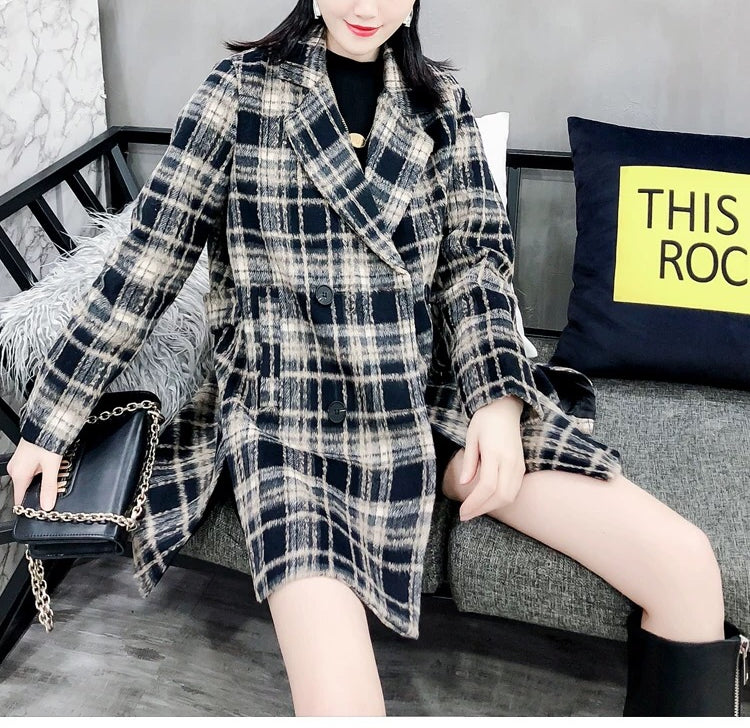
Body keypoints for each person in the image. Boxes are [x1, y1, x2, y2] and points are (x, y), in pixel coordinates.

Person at [8, 0, 746, 718]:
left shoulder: (439, 102)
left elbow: (474, 266)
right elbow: (144, 268)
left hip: (428, 393)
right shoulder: (239, 94)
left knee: (683, 566)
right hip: (290, 422)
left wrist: (497, 402)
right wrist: (50, 421)